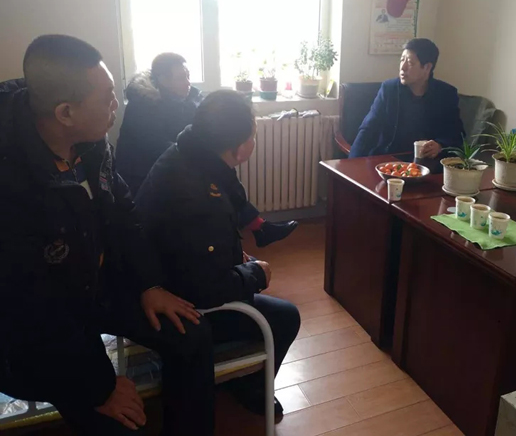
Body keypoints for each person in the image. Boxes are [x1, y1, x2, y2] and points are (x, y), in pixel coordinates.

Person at [0, 35, 216, 436]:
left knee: (190, 333)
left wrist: (149, 284)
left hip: (94, 285)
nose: (117, 106)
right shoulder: (11, 182)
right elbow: (31, 303)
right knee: (115, 418)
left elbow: (123, 214)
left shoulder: (92, 142)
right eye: (108, 99)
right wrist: (99, 384)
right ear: (66, 113)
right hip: (29, 332)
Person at [136, 90, 301, 418]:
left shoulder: (185, 153)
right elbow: (208, 288)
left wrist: (232, 253)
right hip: (183, 307)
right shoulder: (197, 196)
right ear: (239, 149)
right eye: (253, 136)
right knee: (286, 316)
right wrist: (256, 273)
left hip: (160, 278)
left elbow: (199, 244)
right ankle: (250, 387)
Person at [117, 52, 297, 247]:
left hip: (180, 158)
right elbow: (157, 146)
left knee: (220, 165)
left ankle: (255, 228)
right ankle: (253, 229)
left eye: (188, 76)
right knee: (215, 170)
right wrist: (204, 155)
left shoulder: (188, 98)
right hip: (144, 174)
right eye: (181, 78)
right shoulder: (143, 106)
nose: (188, 82)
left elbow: (202, 132)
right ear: (162, 80)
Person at [349, 38, 465, 165]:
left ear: (427, 67)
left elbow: (457, 135)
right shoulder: (389, 89)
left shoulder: (446, 94)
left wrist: (440, 145)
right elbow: (368, 129)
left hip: (427, 165)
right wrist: (351, 163)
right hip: (388, 161)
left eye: (410, 62)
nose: (403, 67)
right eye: (402, 60)